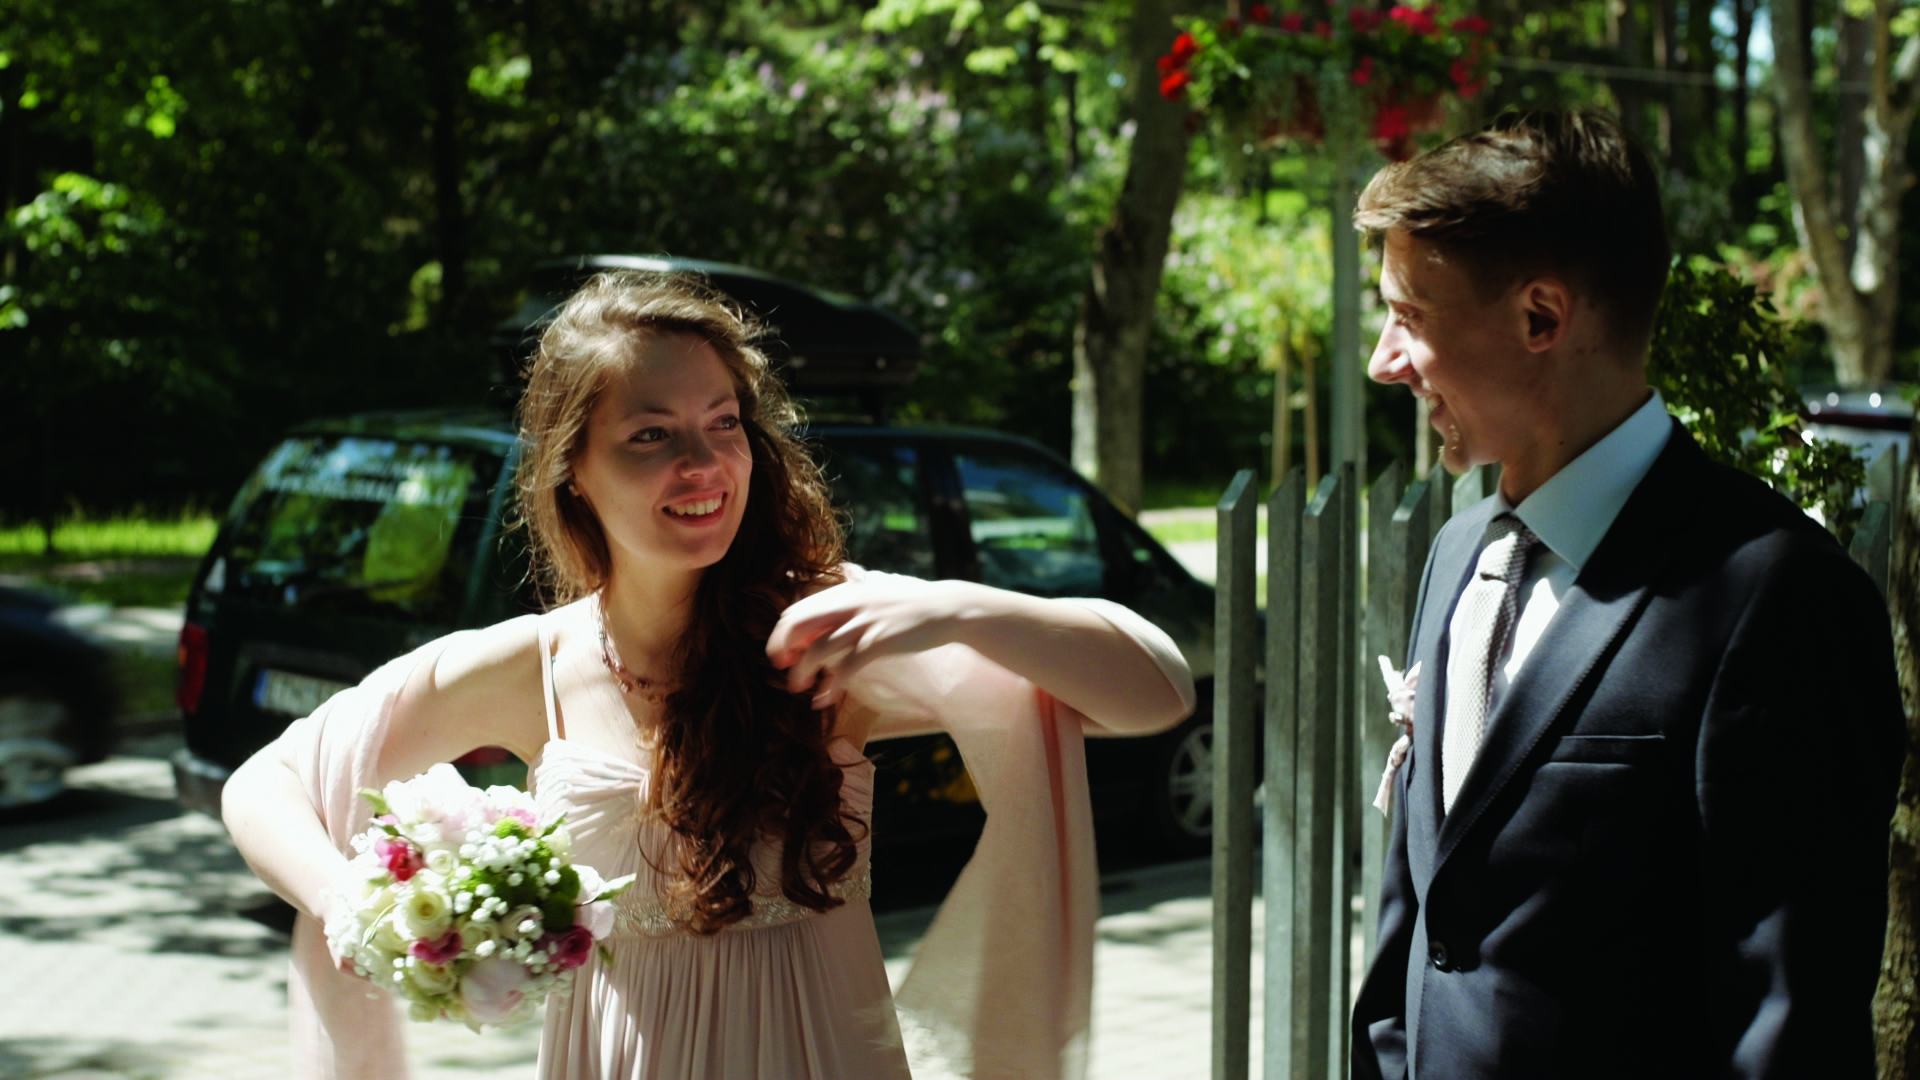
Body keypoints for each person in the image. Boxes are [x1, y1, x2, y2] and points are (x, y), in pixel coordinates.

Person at [221, 272, 1195, 1080]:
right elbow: (264, 787)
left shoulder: (828, 635)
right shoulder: (533, 666)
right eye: (652, 435)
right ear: (573, 470)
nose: (703, 464)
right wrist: (352, 905)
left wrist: (956, 609)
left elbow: (1158, 691)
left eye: (723, 423)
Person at [1350, 110, 1903, 1079]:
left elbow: (1791, 1019)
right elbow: (1421, 928)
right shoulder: (1458, 554)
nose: (1384, 360)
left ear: (1541, 318)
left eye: (1412, 317)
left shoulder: (1780, 600)